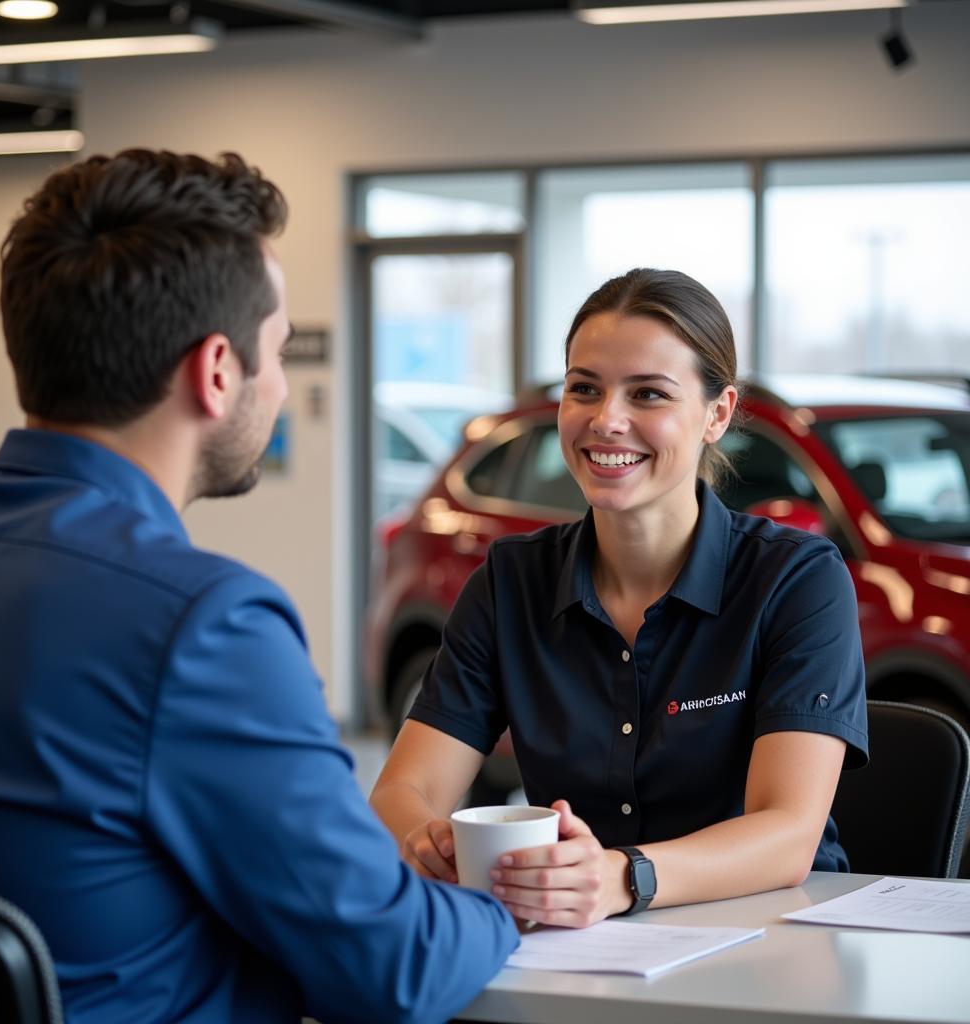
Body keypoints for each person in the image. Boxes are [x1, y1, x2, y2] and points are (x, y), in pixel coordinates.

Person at [0, 149, 518, 1023]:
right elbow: (395, 967)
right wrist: (506, 904)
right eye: (278, 353)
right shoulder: (198, 625)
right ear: (217, 372)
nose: (283, 387)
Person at [370, 268, 869, 928]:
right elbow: (401, 792)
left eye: (648, 394)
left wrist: (623, 876)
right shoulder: (510, 582)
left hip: (772, 940)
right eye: (585, 388)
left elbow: (788, 833)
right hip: (581, 949)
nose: (607, 420)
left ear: (717, 414)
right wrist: (427, 843)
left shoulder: (796, 579)